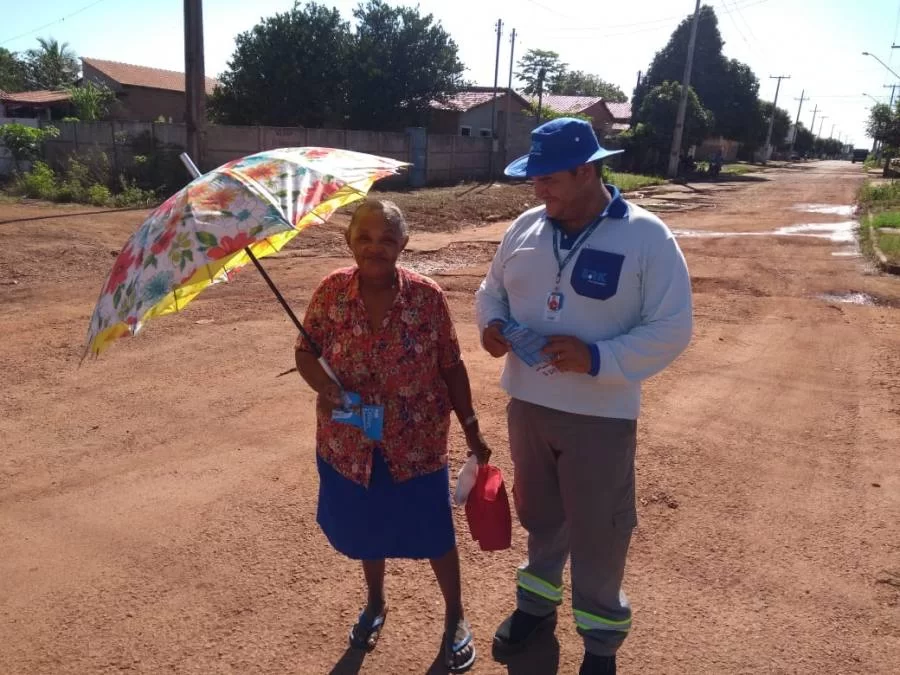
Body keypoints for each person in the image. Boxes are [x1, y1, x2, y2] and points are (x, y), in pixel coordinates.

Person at [475, 118, 693, 675]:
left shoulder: (646, 236)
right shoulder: (525, 227)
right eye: (534, 178)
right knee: (540, 516)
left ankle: (600, 645)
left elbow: (671, 327)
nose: (538, 189)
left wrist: (598, 359)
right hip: (528, 406)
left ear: (587, 169)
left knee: (599, 530)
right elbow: (491, 291)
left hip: (600, 415)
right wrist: (492, 326)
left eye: (548, 178)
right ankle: (535, 608)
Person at [295, 199, 491, 673]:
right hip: (349, 441)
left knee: (434, 532)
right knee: (367, 530)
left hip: (416, 441)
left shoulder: (428, 297)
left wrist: (471, 428)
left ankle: (455, 616)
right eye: (364, 237)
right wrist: (325, 386)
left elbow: (451, 365)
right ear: (349, 241)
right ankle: (376, 603)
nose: (374, 247)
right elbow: (306, 351)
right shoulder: (330, 292)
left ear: (403, 245)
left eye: (386, 239)